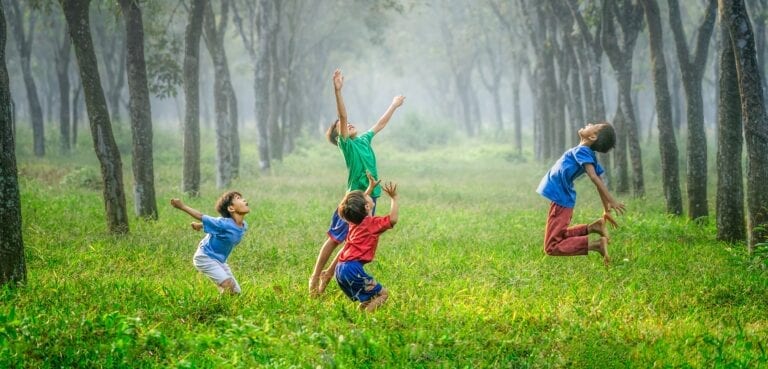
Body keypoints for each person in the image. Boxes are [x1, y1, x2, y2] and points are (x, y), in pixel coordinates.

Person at [308, 69, 405, 296]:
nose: (348, 124)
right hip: (354, 199)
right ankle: (315, 276)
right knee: (334, 239)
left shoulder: (363, 139)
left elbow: (380, 124)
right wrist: (337, 90)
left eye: (349, 123)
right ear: (338, 135)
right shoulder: (347, 145)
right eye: (341, 126)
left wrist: (393, 105)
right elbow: (342, 116)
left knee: (355, 238)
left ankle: (329, 275)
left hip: (371, 197)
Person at [536, 122, 625, 265]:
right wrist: (606, 209)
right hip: (561, 199)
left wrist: (611, 200)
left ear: (593, 136)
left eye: (593, 125)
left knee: (551, 247)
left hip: (561, 199)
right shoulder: (585, 153)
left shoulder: (582, 151)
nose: (589, 124)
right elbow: (599, 180)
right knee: (559, 235)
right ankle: (593, 227)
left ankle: (596, 245)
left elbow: (595, 178)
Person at [335, 180, 399, 312]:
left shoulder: (354, 221)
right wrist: (394, 198)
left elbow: (357, 205)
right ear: (367, 207)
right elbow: (392, 219)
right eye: (366, 196)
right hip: (352, 269)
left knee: (369, 298)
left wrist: (370, 188)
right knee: (383, 294)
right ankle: (366, 320)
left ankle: (359, 317)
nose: (368, 195)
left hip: (340, 268)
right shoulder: (372, 223)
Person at [171, 191, 250, 294]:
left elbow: (216, 227)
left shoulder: (244, 225)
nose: (243, 199)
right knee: (227, 285)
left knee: (236, 292)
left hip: (220, 261)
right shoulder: (223, 223)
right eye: (238, 198)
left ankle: (225, 307)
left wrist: (199, 226)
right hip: (205, 257)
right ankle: (218, 308)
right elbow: (201, 216)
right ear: (231, 208)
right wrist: (182, 206)